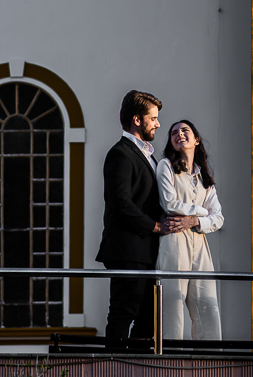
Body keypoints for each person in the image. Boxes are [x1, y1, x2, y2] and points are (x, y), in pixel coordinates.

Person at [95, 90, 181, 344]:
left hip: (147, 252)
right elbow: (120, 201)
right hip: (128, 250)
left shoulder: (147, 155)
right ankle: (115, 368)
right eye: (153, 118)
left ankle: (136, 364)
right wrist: (154, 226)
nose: (158, 123)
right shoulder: (120, 153)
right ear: (136, 119)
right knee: (124, 313)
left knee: (148, 317)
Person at [156, 119, 224, 340]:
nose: (179, 134)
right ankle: (169, 365)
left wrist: (194, 220)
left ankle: (211, 366)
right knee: (172, 306)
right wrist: (201, 213)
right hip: (174, 240)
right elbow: (170, 204)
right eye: (174, 132)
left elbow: (219, 218)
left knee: (208, 306)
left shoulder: (205, 178)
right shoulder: (166, 166)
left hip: (200, 243)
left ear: (196, 140)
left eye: (185, 131)